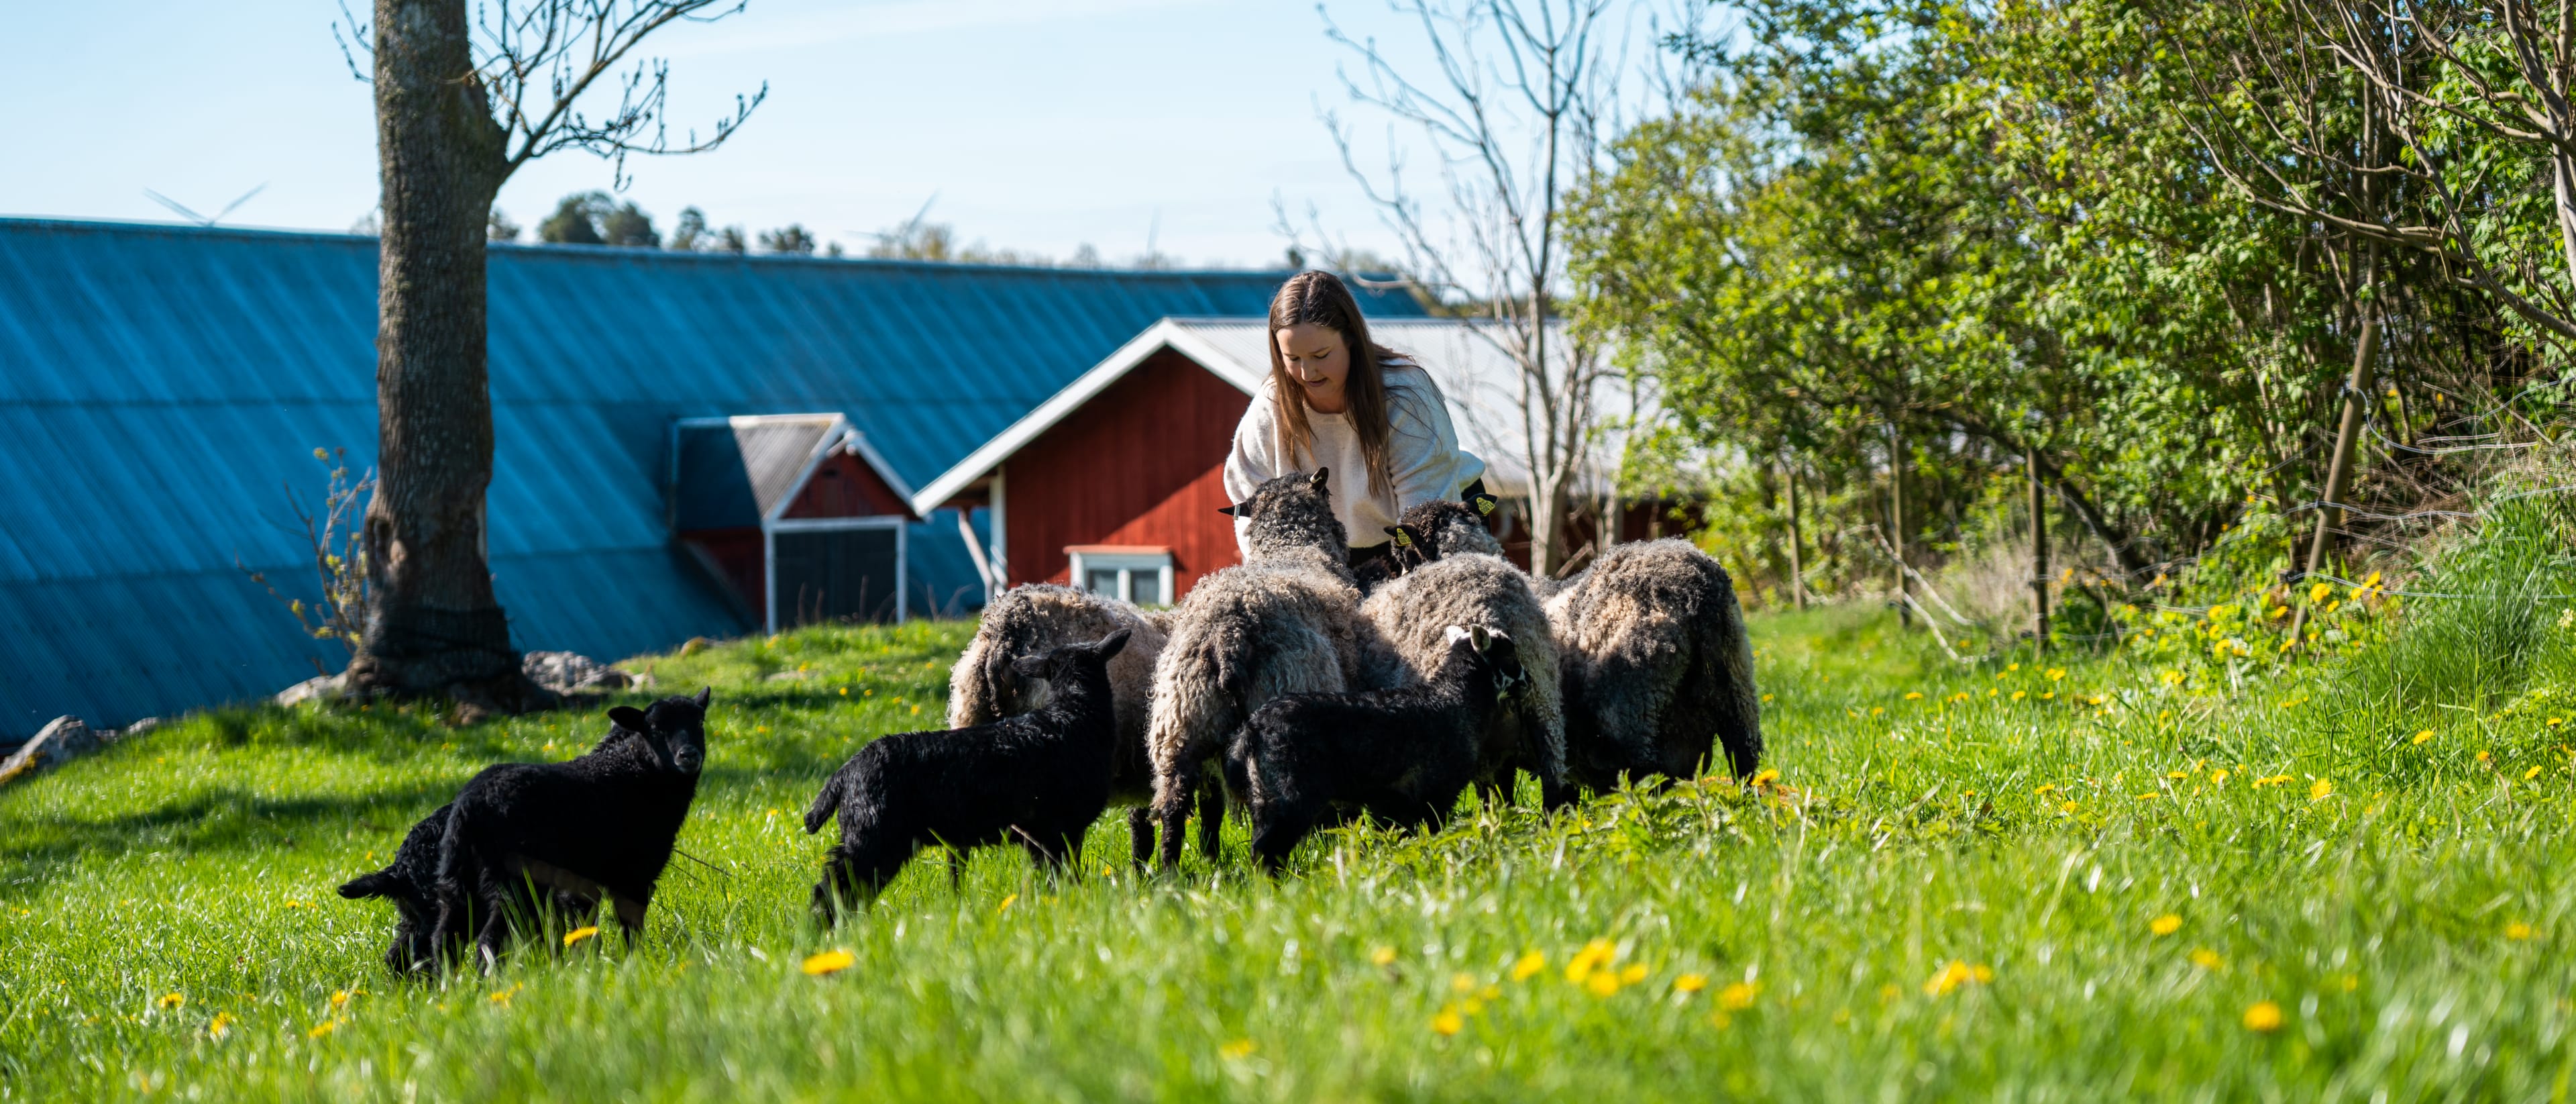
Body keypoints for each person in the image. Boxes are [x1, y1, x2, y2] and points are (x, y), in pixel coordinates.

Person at [1224, 270, 1485, 572]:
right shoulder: (1271, 406)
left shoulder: (1404, 396)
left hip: (1434, 526)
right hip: (1335, 546)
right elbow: (1252, 504)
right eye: (1293, 359)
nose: (1308, 373)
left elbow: (1425, 512)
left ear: (1351, 339)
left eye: (1321, 355)